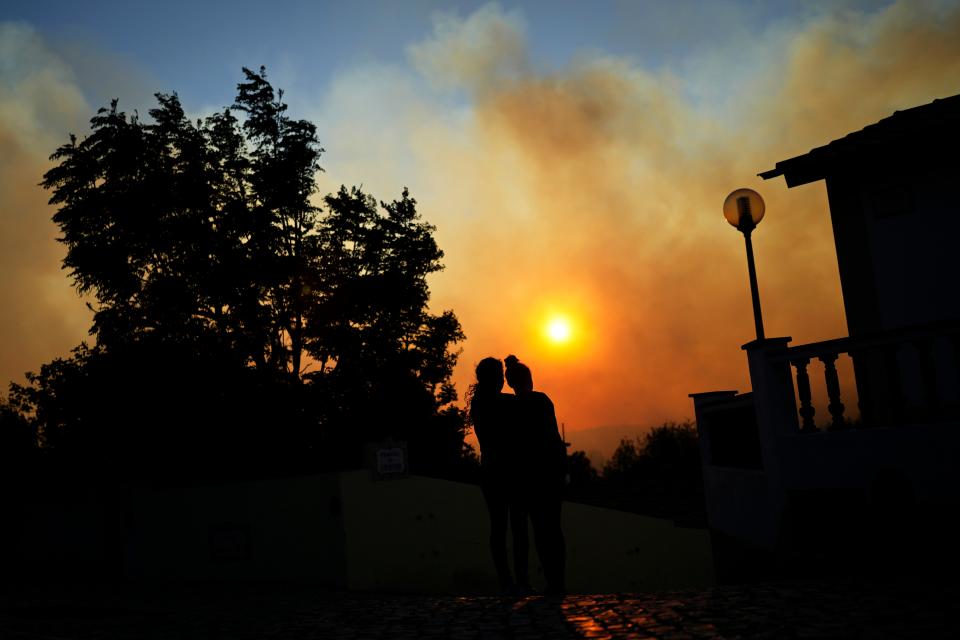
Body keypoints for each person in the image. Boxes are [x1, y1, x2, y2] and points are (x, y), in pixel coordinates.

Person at [504, 354, 567, 595]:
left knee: (538, 531)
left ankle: (547, 582)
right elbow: (553, 438)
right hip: (549, 474)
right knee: (553, 529)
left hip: (524, 478)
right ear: (530, 378)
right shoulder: (542, 401)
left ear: (510, 383)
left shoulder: (509, 407)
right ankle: (558, 581)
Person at [467, 357, 530, 594]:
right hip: (512, 471)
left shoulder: (478, 402)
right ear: (496, 378)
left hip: (491, 471)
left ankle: (507, 582)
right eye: (500, 375)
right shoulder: (507, 402)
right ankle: (521, 581)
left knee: (499, 527)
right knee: (518, 527)